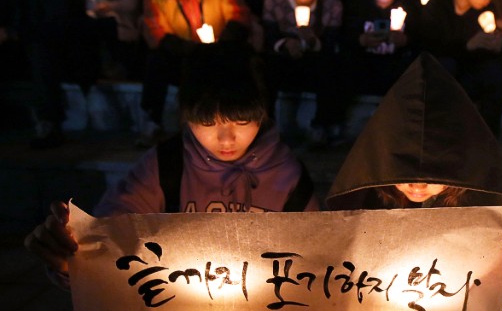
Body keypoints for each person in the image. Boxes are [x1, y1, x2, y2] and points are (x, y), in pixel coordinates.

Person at [23, 43, 320, 288]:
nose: (226, 138)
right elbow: (109, 235)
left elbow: (316, 265)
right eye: (207, 123)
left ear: (263, 114)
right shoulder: (167, 166)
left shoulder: (288, 178)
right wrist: (72, 261)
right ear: (186, 117)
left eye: (242, 121)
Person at [326, 52, 502, 286]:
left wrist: (500, 278)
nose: (418, 184)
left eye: (435, 172)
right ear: (382, 155)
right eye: (404, 169)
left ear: (458, 161)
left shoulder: (478, 215)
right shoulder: (364, 206)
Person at [139, 0, 251, 146]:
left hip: (221, 52)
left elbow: (238, 14)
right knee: (157, 60)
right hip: (181, 56)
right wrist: (190, 49)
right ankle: (152, 121)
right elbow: (155, 31)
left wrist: (219, 43)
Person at [1, 0, 100, 149]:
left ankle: (49, 123)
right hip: (20, 44)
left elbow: (57, 25)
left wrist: (14, 33)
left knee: (41, 54)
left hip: (58, 47)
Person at [408, 0, 502, 136]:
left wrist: (497, 46)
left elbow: (492, 52)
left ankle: (488, 140)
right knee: (445, 65)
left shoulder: (487, 12)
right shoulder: (438, 5)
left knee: (494, 72)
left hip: (470, 77)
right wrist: (468, 46)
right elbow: (427, 47)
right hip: (440, 78)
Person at [261, 0, 347, 145]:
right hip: (283, 61)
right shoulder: (274, 1)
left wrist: (312, 41)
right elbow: (270, 35)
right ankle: (266, 128)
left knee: (334, 65)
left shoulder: (331, 3)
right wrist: (285, 44)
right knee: (264, 66)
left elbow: (332, 41)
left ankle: (322, 127)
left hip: (317, 61)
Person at [342, 0, 414, 96]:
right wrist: (361, 40)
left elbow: (424, 39)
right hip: (362, 73)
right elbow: (343, 36)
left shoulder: (411, 7)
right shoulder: (357, 6)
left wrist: (405, 40)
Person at [86, 0, 143, 79]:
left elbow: (131, 4)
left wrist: (109, 6)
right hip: (99, 25)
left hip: (125, 25)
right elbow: (90, 5)